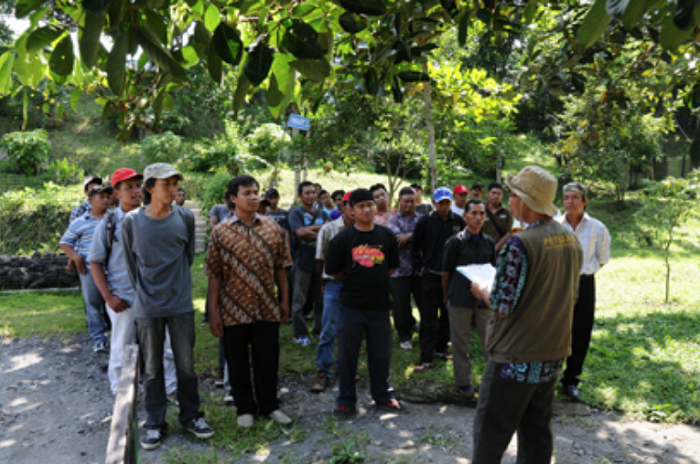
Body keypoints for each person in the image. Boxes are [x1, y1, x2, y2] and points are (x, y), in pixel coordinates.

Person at [470, 166, 583, 464]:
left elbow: (502, 305)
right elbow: (572, 296)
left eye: (513, 195)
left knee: (490, 436)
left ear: (524, 200)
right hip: (552, 353)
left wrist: (482, 289)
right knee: (536, 432)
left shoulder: (520, 244)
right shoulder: (570, 239)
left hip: (514, 357)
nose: (509, 201)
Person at [122, 163, 214, 450]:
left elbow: (187, 258)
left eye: (175, 183)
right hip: (148, 307)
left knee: (186, 365)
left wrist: (176, 289)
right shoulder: (132, 221)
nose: (173, 189)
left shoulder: (185, 217)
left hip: (181, 304)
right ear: (150, 188)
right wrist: (147, 294)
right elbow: (130, 264)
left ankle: (191, 417)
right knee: (152, 369)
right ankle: (154, 423)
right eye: (166, 184)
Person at [206, 175, 293, 428]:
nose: (253, 197)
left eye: (256, 192)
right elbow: (214, 275)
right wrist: (213, 313)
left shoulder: (272, 228)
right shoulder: (221, 232)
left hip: (267, 306)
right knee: (237, 360)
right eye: (247, 193)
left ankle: (270, 405)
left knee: (268, 358)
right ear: (233, 198)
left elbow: (281, 268)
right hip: (233, 309)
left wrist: (284, 300)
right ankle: (244, 407)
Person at [89, 168, 179, 400]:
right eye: (128, 187)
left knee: (166, 344)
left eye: (138, 186)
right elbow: (95, 262)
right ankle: (120, 393)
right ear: (116, 194)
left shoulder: (153, 216)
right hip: (123, 298)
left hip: (156, 296)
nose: (135, 191)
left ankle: (170, 388)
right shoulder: (108, 223)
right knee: (121, 346)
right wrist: (108, 297)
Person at [325, 189, 404, 418]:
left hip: (379, 307)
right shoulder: (342, 239)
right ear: (351, 209)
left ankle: (383, 395)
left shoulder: (387, 236)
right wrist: (355, 280)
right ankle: (346, 400)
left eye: (370, 205)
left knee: (380, 354)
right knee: (347, 356)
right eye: (361, 206)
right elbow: (335, 271)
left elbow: (391, 268)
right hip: (351, 307)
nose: (367, 209)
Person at [557, 182, 611, 401]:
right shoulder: (553, 225)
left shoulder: (598, 228)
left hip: (585, 282)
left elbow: (602, 259)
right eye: (566, 197)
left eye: (575, 197)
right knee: (555, 330)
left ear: (585, 201)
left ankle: (571, 380)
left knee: (581, 331)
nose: (570, 201)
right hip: (557, 284)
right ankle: (548, 376)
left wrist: (581, 277)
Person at [441, 200, 496, 397]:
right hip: (459, 299)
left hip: (483, 301)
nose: (478, 217)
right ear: (465, 216)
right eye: (473, 213)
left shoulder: (490, 243)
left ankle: (492, 383)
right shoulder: (455, 242)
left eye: (482, 213)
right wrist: (447, 298)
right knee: (460, 343)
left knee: (490, 343)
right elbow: (446, 273)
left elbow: (493, 271)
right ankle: (463, 383)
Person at [412, 187, 466, 372]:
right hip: (430, 276)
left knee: (447, 315)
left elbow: (463, 247)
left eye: (447, 202)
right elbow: (414, 246)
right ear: (434, 202)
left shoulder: (458, 221)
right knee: (428, 318)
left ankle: (441, 348)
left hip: (451, 277)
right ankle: (426, 357)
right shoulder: (425, 221)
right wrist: (419, 266)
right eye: (440, 202)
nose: (444, 206)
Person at [311, 190, 354, 393]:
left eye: (361, 205)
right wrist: (323, 281)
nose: (355, 210)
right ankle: (323, 371)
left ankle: (344, 368)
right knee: (329, 328)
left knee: (351, 330)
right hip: (334, 283)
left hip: (356, 286)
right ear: (343, 206)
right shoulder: (329, 229)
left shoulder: (366, 230)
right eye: (351, 205)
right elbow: (320, 258)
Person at [60, 185, 113, 353]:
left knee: (115, 303)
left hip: (114, 269)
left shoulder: (113, 218)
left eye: (107, 197)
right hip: (89, 270)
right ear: (90, 200)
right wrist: (76, 257)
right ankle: (99, 338)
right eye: (101, 197)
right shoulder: (80, 222)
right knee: (93, 304)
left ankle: (118, 337)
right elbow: (65, 242)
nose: (105, 200)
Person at [288, 181, 329, 345]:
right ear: (300, 196)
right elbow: (300, 233)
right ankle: (300, 333)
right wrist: (321, 229)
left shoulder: (323, 213)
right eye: (307, 193)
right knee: (299, 300)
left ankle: (318, 331)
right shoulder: (295, 212)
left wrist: (311, 230)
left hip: (320, 262)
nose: (311, 195)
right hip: (302, 261)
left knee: (320, 299)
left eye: (313, 192)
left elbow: (327, 234)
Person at [387, 187, 422, 350]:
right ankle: (404, 336)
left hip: (419, 269)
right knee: (400, 305)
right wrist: (415, 236)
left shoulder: (422, 219)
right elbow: (397, 241)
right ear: (399, 201)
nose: (409, 204)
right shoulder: (392, 220)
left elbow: (425, 238)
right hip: (399, 270)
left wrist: (409, 236)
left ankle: (422, 329)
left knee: (424, 303)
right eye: (406, 201)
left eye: (412, 201)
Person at [481, 182, 514, 253]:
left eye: (499, 194)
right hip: (482, 250)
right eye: (493, 193)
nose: (496, 196)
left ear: (502, 196)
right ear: (487, 194)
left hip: (501, 252)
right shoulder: (481, 211)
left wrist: (496, 247)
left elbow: (509, 233)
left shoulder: (507, 213)